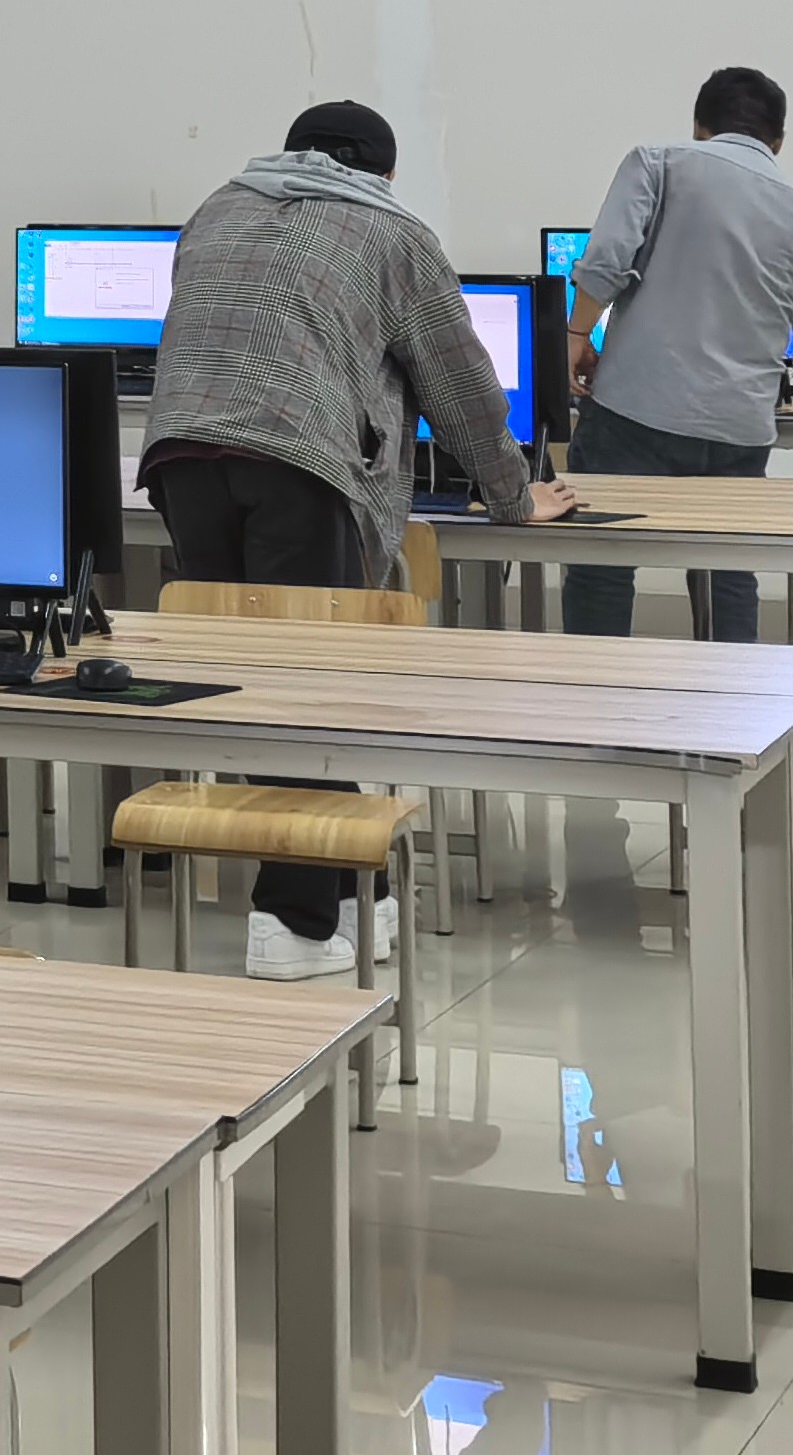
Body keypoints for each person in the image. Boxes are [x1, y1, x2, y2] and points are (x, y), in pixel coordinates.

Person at [142, 99, 541, 979]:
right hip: (298, 464)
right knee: (306, 690)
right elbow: (462, 387)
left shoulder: (217, 206)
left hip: (180, 460)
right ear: (384, 174)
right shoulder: (395, 233)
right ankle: (293, 923)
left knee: (246, 683)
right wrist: (514, 496)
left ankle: (360, 887)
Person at [562, 66, 793, 643]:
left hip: (634, 412)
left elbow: (606, 261)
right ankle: (731, 691)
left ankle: (595, 688)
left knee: (602, 565)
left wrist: (577, 335)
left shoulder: (658, 162)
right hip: (738, 429)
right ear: (778, 141)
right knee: (728, 569)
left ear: (699, 126)